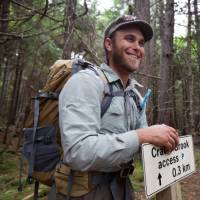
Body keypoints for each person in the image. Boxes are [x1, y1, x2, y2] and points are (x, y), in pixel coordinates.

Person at [52, 15, 179, 200]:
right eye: (129, 39)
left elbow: (143, 144)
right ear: (109, 44)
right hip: (82, 191)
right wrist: (143, 136)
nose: (137, 47)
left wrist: (162, 141)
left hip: (123, 188)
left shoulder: (135, 96)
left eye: (141, 43)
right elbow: (78, 151)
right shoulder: (86, 82)